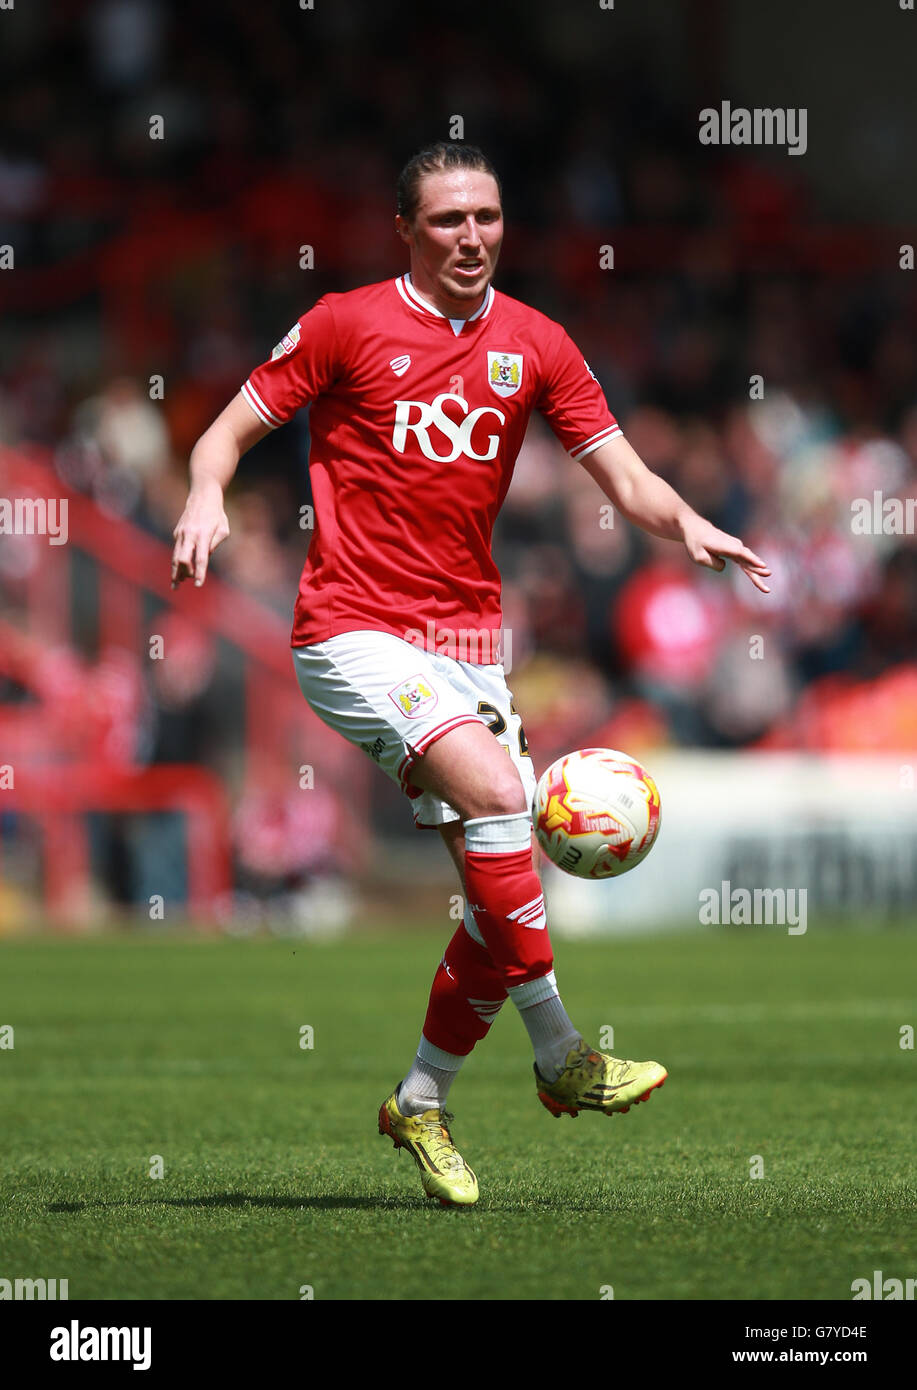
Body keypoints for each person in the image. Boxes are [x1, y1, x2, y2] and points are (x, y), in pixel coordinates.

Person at [172, 141, 770, 1208]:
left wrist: (684, 522)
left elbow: (622, 474)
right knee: (502, 799)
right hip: (349, 630)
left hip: (467, 647)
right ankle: (561, 1056)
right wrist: (206, 495)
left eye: (486, 217)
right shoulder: (344, 324)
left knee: (501, 909)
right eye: (447, 220)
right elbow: (223, 433)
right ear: (405, 230)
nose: (470, 237)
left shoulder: (535, 342)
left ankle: (420, 1099)